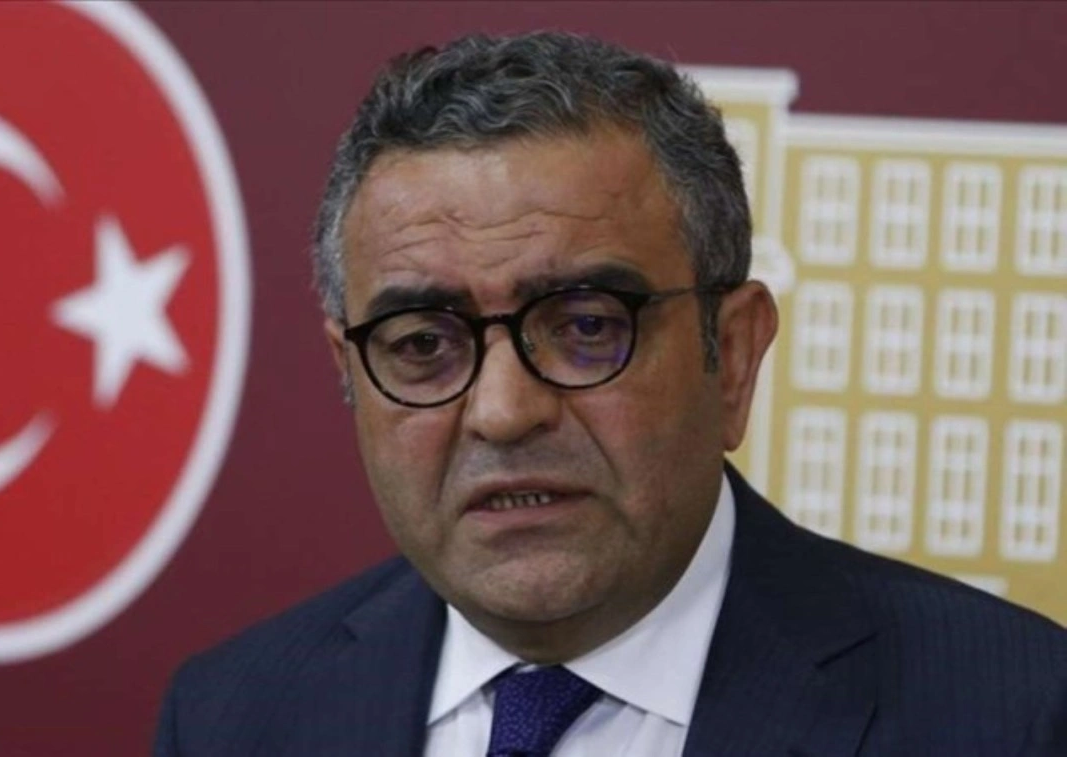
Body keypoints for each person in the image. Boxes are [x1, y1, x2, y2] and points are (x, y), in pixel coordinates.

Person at [154, 32, 1067, 756]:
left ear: (733, 356)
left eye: (587, 327)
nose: (504, 412)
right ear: (349, 374)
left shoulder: (1012, 716)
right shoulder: (235, 717)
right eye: (424, 344)